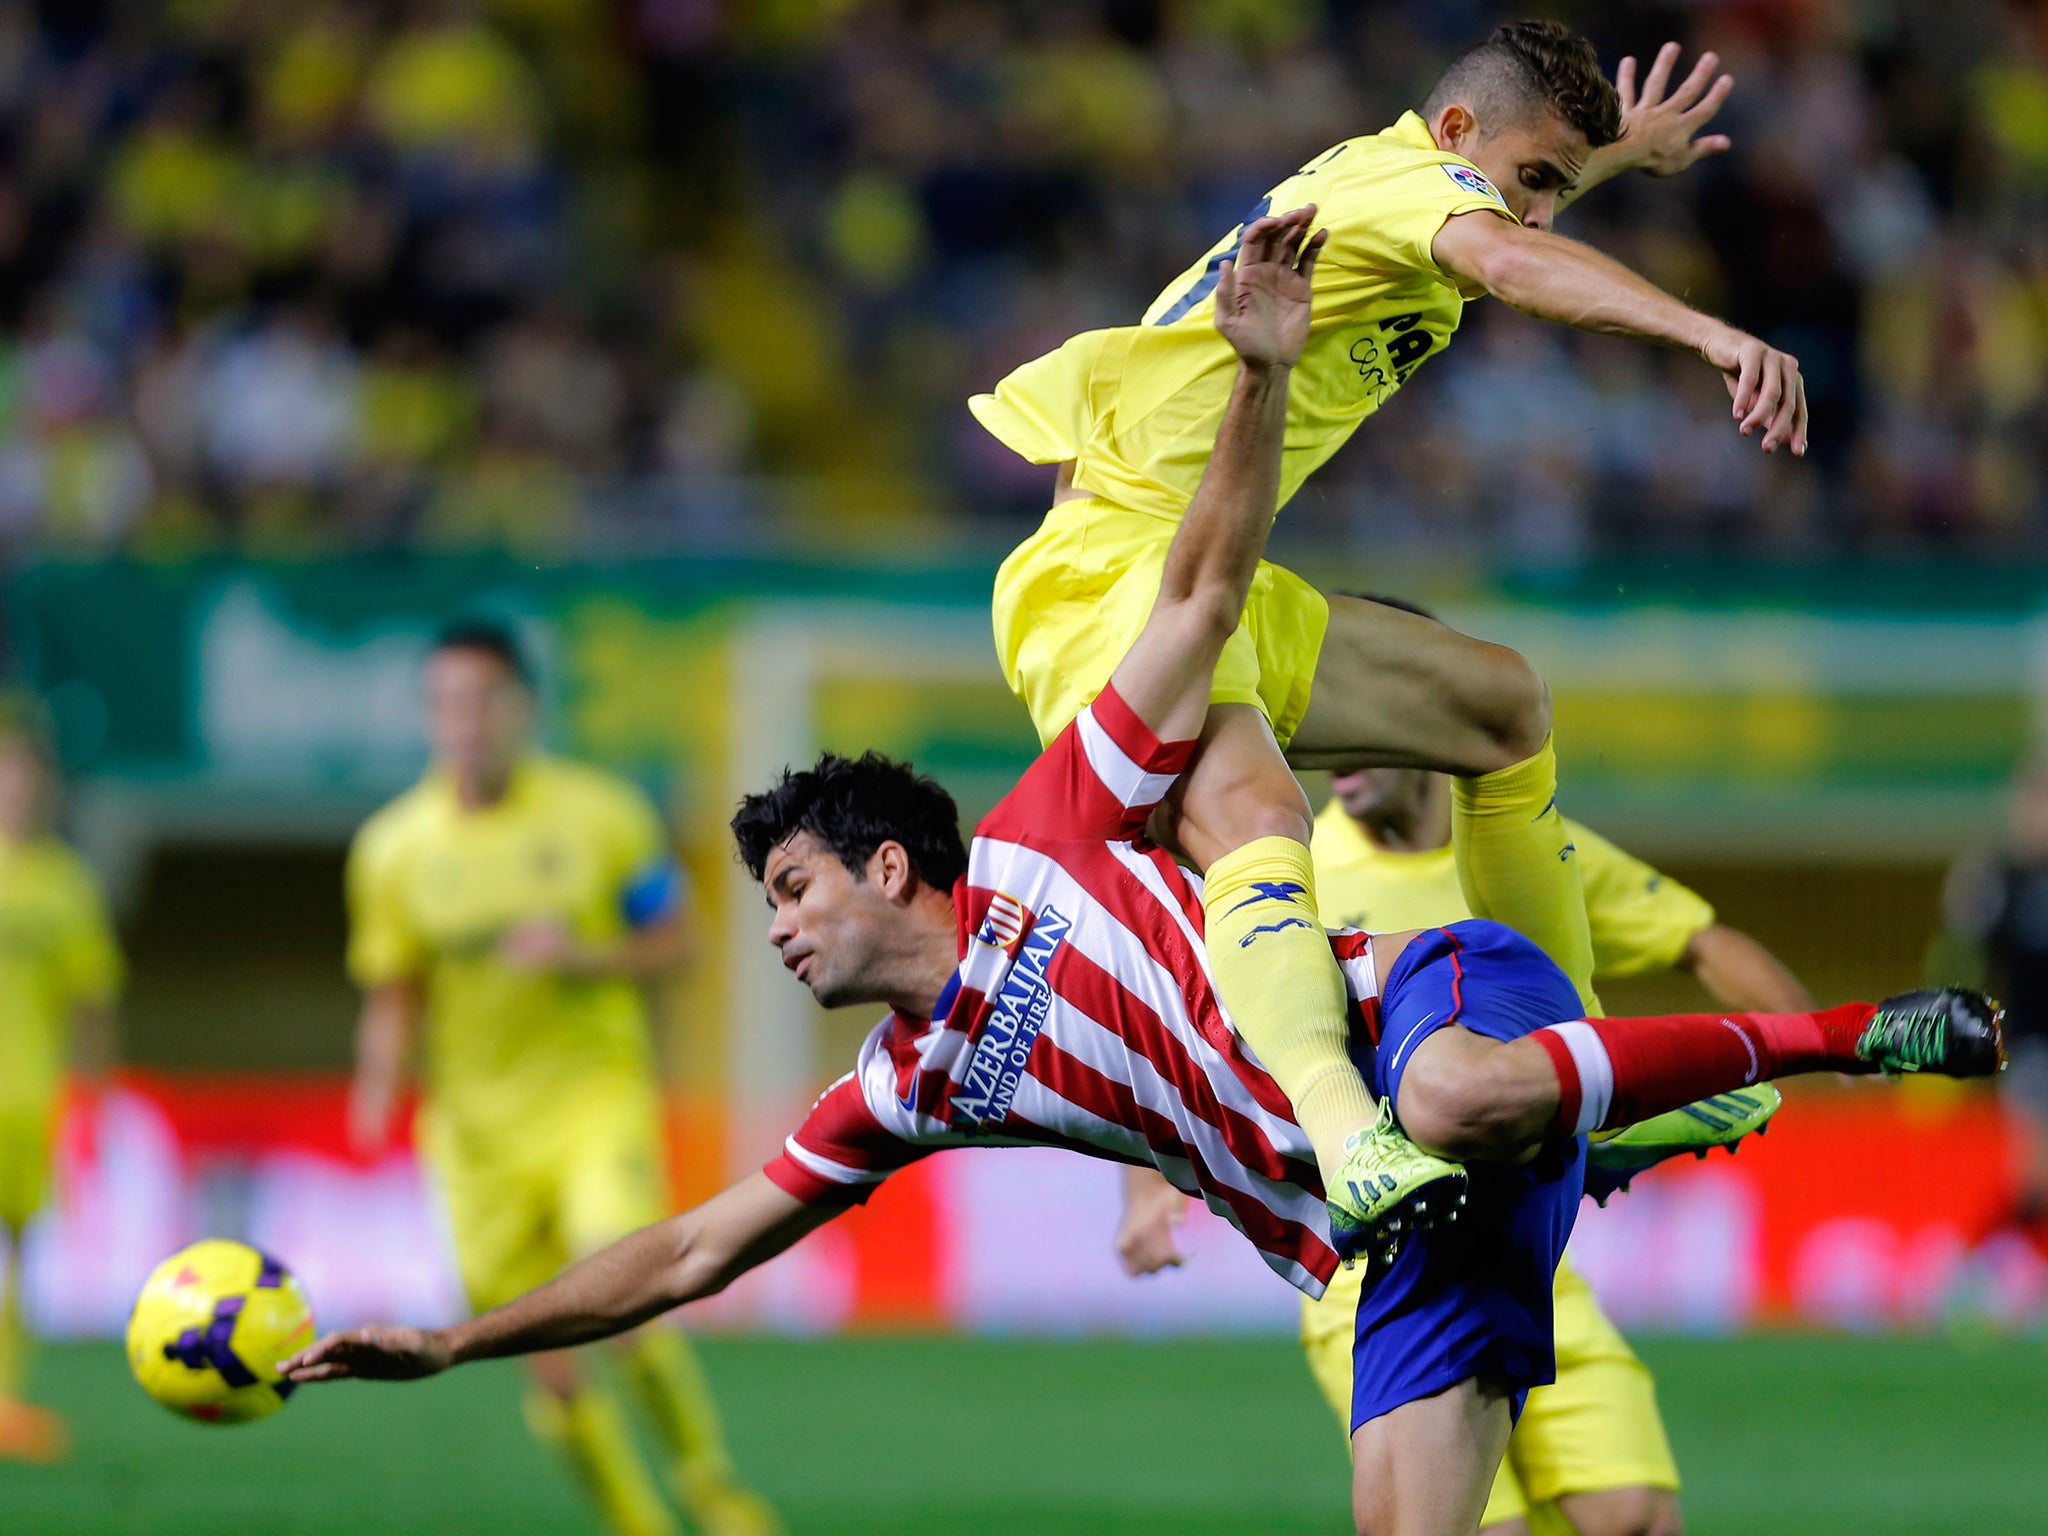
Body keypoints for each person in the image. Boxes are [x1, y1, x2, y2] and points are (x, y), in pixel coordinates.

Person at [290, 215, 1999, 1536]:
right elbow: (683, 1254)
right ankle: (1601, 1123)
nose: (783, 930)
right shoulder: (910, 1086)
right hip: (1371, 1249)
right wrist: (451, 1344)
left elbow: (1191, 603)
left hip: (1429, 1007)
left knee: (1457, 1090)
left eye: (796, 890)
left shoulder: (1054, 827)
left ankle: (1847, 1037)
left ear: (894, 863)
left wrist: (1254, 376)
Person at [971, 21, 1808, 1255]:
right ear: (1459, 136)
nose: (1533, 220)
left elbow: (1501, 207)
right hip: (1105, 570)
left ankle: (1570, 1074)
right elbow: (1505, 257)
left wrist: (1612, 155)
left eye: (1553, 195)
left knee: (1498, 704)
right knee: (1255, 817)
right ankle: (1343, 1137)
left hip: (1212, 560)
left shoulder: (1392, 175)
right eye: (1533, 186)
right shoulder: (1421, 189)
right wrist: (1708, 335)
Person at [1116, 704, 1816, 1536]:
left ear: (1419, 738)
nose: (1331, 757)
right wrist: (1144, 1190)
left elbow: (1699, 940)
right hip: (1375, 1254)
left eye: (1354, 729)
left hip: (1523, 1229)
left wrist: (1808, 1045)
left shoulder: (1520, 845)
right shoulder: (1287, 866)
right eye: (1316, 739)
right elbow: (1185, 1024)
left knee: (1634, 1515)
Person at [344, 624, 777, 1536]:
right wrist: (376, 1082)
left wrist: (581, 954)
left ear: (521, 707)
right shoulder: (393, 850)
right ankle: (637, 1523)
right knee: (545, 1353)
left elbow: (681, 943)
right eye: (445, 703)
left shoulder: (603, 816)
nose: (463, 722)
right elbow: (395, 988)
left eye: (481, 700)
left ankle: (712, 1491)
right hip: (474, 1136)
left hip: (593, 1105)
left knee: (627, 1305)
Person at [0, 695, 119, 1463]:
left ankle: (6, 1401)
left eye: (24, 776)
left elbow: (92, 997)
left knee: (19, 1256)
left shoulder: (67, 883)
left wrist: (97, 1099)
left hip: (31, 1099)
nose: (15, 789)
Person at [1933, 754, 2048, 1260]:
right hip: (2030, 1048)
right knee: (2035, 1175)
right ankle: (1981, 1266)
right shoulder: (2001, 878)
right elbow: (1960, 956)